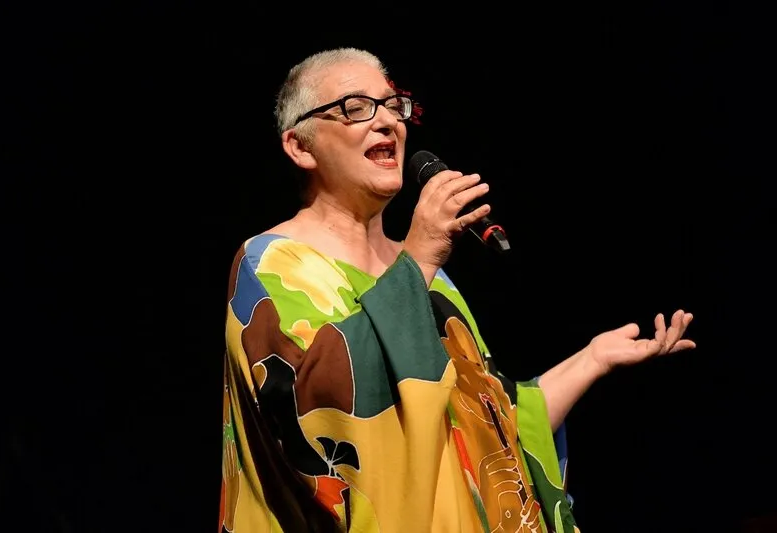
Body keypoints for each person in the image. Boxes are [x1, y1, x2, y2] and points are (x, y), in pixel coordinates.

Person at [218, 47, 696, 533]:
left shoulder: (433, 280)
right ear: (301, 146)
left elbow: (493, 433)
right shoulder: (273, 262)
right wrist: (419, 256)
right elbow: (322, 418)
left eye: (392, 105)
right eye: (356, 107)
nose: (387, 122)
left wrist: (593, 359)